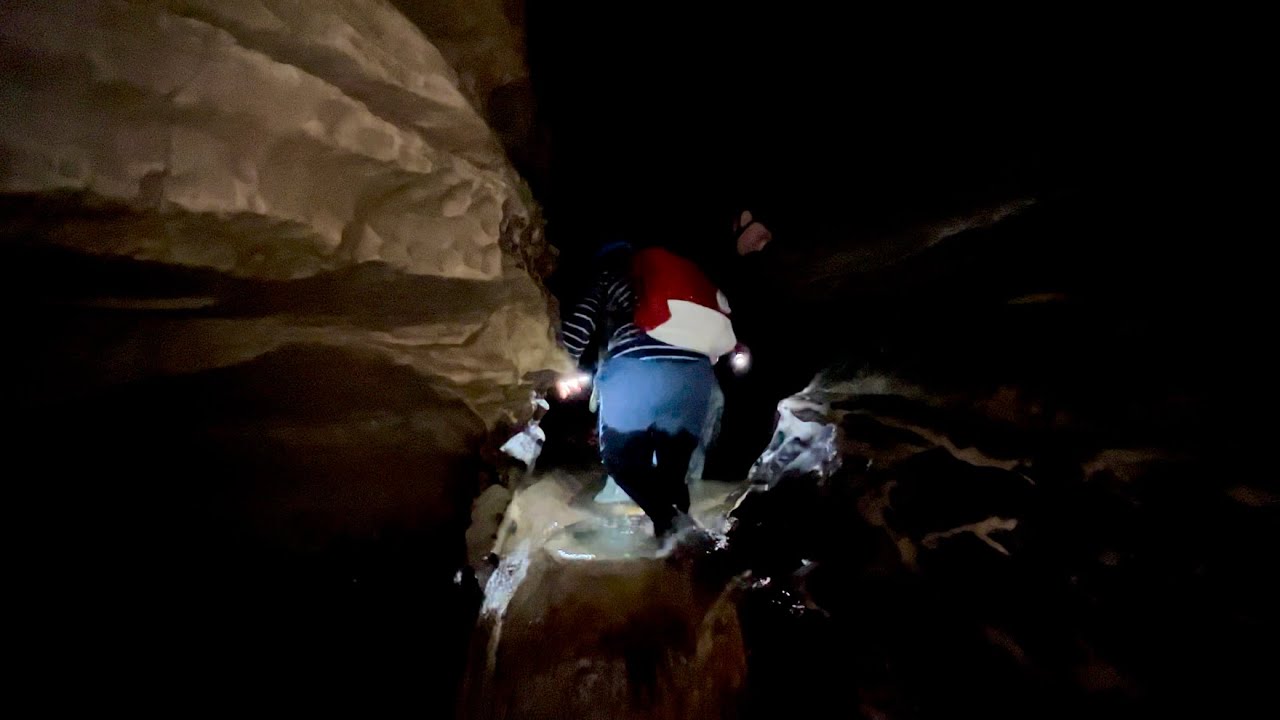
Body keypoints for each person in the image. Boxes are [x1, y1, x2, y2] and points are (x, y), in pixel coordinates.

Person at [559, 209, 774, 539]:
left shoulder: (609, 276)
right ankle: (675, 550)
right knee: (673, 476)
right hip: (695, 377)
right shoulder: (680, 277)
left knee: (622, 461)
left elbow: (580, 325)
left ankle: (673, 528)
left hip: (636, 372)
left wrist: (561, 365)